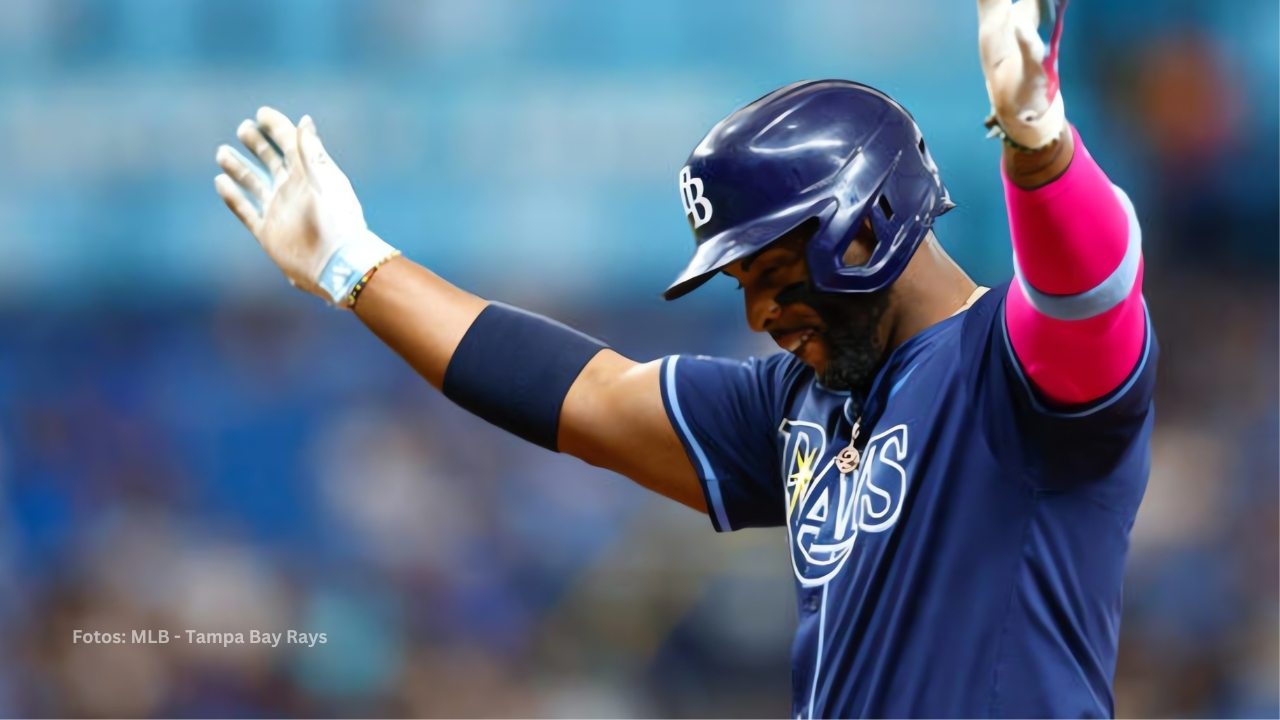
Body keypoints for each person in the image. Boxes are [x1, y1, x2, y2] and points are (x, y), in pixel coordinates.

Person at [213, 0, 1155, 716]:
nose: (759, 314)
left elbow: (1096, 290)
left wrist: (1038, 150)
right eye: (742, 281)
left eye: (778, 272)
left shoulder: (1018, 376)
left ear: (868, 229)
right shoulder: (804, 404)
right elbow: (586, 396)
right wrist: (354, 265)